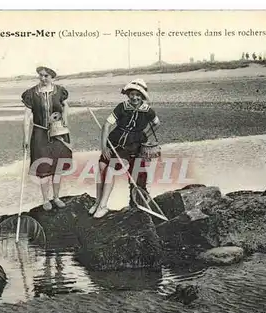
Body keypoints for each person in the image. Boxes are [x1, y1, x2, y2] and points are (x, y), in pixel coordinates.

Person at [88, 79, 161, 218]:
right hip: (113, 142)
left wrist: (144, 135)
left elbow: (157, 124)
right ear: (128, 94)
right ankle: (98, 202)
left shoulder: (147, 111)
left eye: (138, 95)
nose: (134, 97)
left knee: (111, 169)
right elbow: (106, 125)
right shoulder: (122, 107)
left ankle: (103, 206)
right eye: (132, 94)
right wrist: (103, 147)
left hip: (131, 147)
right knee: (102, 166)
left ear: (142, 96)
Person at [21, 66, 72, 211]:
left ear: (52, 77)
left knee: (58, 167)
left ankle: (56, 197)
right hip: (40, 133)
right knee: (43, 167)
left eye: (46, 76)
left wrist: (65, 120)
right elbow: (26, 117)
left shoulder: (59, 91)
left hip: (58, 133)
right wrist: (25, 138)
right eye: (41, 76)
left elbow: (66, 106)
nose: (43, 79)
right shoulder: (31, 93)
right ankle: (45, 199)